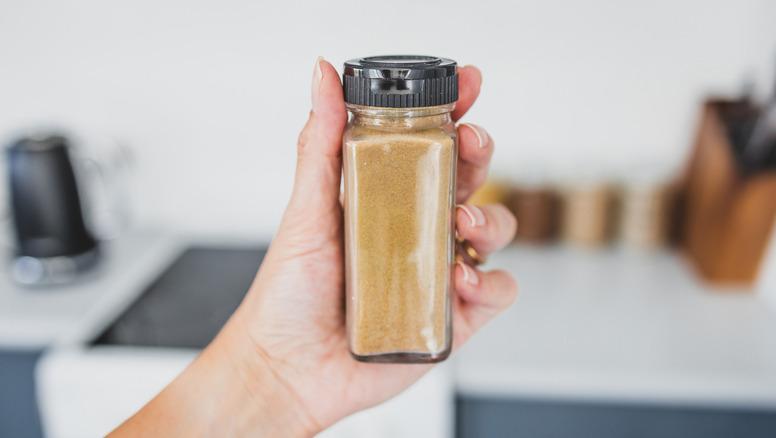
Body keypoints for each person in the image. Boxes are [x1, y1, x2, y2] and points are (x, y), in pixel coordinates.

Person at [108, 58, 518, 437]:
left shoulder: (438, 137)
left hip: (416, 336)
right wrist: (269, 372)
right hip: (349, 345)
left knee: (464, 222)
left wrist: (272, 381)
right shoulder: (365, 136)